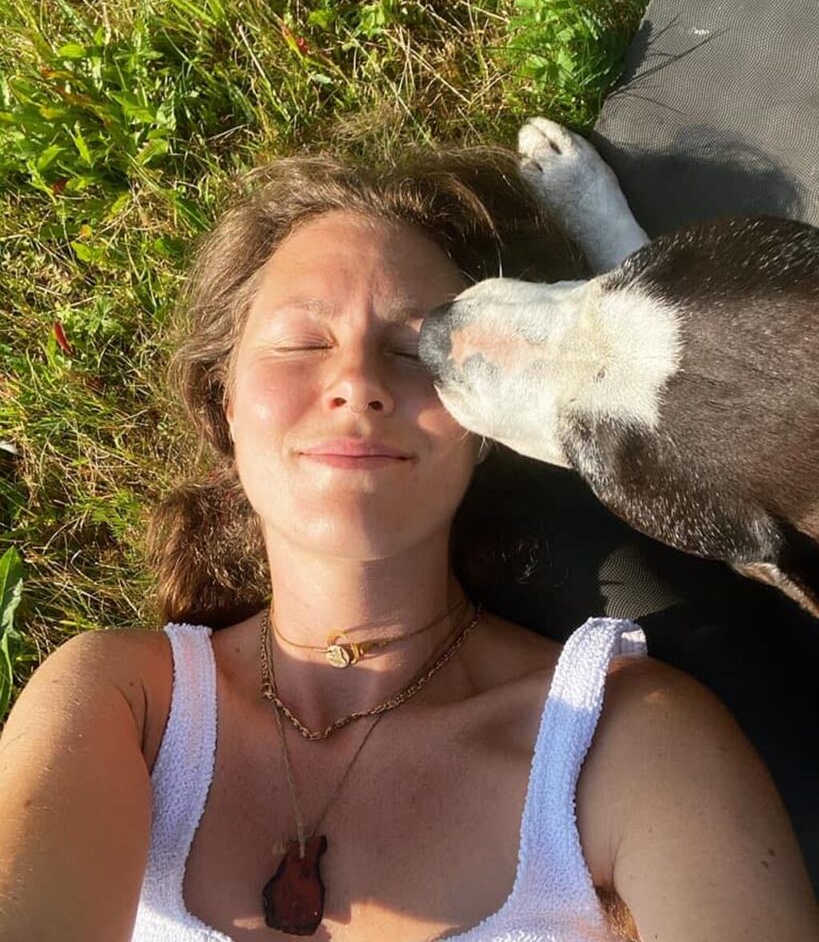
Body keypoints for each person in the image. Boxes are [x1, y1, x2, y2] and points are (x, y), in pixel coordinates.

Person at [0, 147, 816, 942]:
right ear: (226, 405)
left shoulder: (630, 742)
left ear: (483, 423)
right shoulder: (121, 703)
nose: (357, 382)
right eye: (301, 343)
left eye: (412, 350)